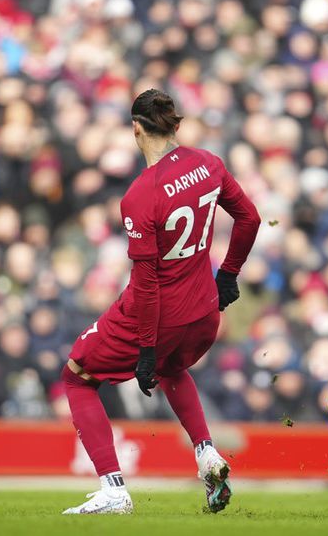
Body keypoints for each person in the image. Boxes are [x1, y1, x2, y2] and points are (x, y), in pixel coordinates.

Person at [61, 89, 261, 514]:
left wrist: (147, 349)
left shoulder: (140, 195)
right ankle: (207, 454)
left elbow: (147, 283)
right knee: (175, 368)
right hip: (205, 310)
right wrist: (227, 275)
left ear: (136, 127)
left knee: (77, 375)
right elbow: (250, 218)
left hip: (156, 315)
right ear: (174, 124)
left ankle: (114, 489)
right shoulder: (208, 163)